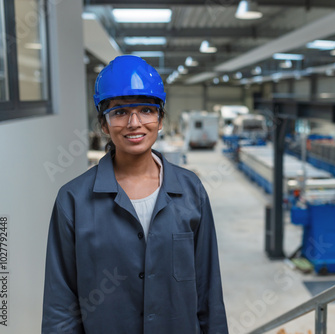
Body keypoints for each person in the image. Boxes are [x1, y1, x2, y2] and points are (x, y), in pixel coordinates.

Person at [42, 55, 228, 334]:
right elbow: (60, 304)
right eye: (119, 112)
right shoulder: (73, 200)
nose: (134, 122)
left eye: (146, 110)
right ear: (103, 125)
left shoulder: (191, 191)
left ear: (161, 118)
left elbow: (209, 292)